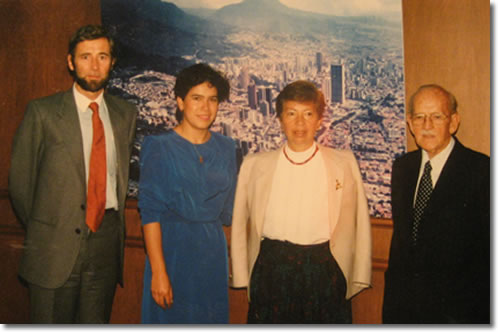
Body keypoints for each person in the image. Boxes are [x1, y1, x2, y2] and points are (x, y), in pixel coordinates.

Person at [8, 24, 137, 323]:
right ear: (70, 62)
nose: (94, 66)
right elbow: (20, 186)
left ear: (112, 62)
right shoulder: (42, 113)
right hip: (54, 248)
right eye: (85, 57)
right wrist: (51, 227)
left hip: (105, 247)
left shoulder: (124, 115)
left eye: (102, 56)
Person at [230, 80, 371, 324]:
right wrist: (243, 276)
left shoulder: (344, 163)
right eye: (291, 114)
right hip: (272, 269)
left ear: (319, 120)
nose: (299, 123)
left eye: (308, 114)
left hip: (324, 269)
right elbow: (241, 225)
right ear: (280, 119)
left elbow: (361, 225)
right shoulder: (254, 165)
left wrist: (359, 274)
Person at [383, 84, 490, 324]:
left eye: (436, 117)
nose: (427, 125)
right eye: (419, 117)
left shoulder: (481, 171)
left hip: (458, 314)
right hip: (405, 314)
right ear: (410, 124)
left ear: (453, 122)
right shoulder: (403, 168)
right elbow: (400, 246)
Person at [138, 63, 237, 324]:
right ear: (180, 102)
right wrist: (159, 272)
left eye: (212, 100)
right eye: (197, 98)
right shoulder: (159, 147)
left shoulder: (227, 147)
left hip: (212, 254)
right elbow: (150, 214)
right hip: (172, 252)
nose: (205, 108)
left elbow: (230, 213)